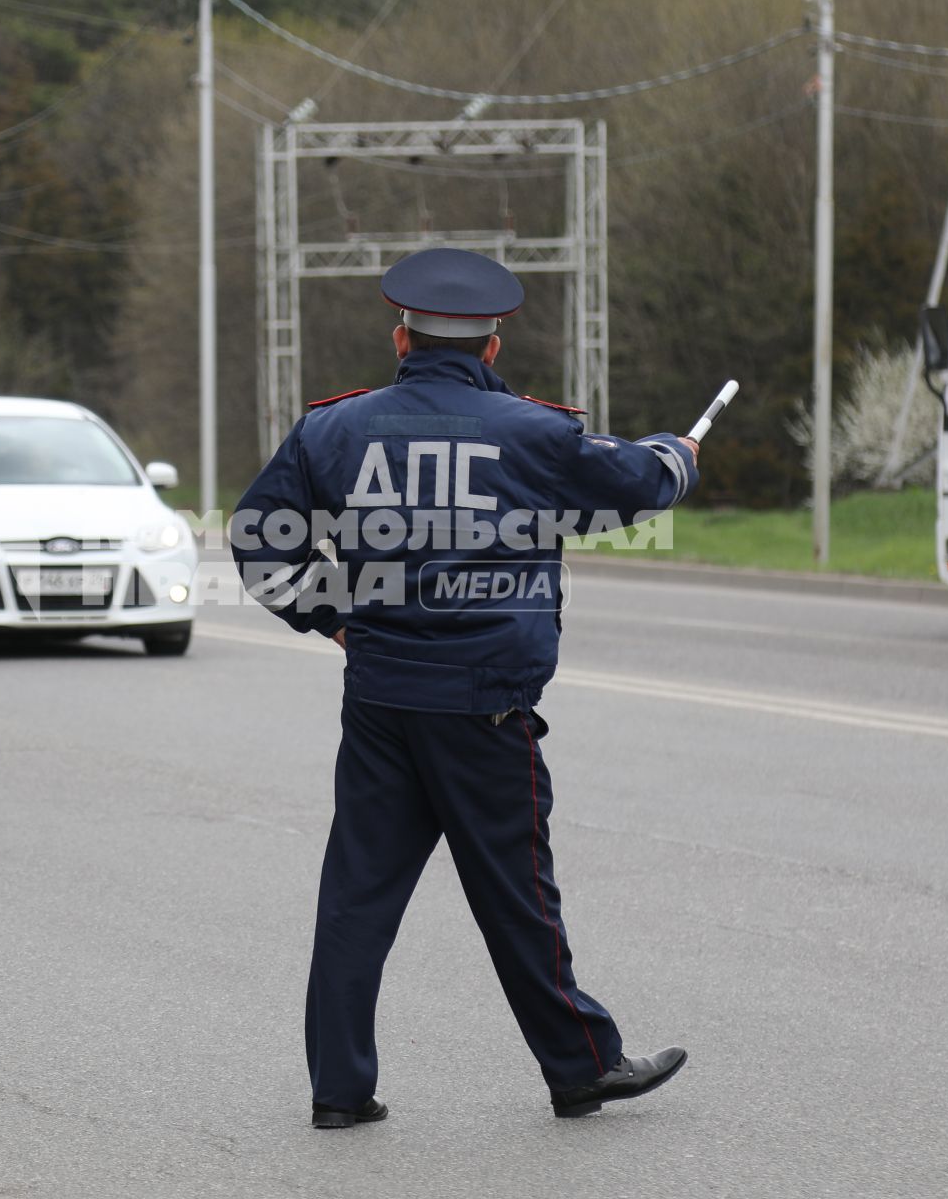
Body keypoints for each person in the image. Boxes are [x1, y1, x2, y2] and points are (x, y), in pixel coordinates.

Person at [232, 247, 701, 1128]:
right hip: (484, 707)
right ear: (493, 347)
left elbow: (261, 541)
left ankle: (339, 1091)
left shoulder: (333, 430)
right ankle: (583, 1068)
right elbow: (637, 485)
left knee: (356, 897)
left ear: (400, 336)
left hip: (380, 702)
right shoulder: (535, 432)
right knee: (518, 896)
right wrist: (679, 453)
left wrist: (334, 618)